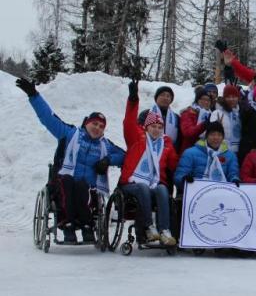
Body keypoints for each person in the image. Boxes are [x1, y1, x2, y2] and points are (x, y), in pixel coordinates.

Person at [17, 78, 125, 243]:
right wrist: (34, 95)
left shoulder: (106, 145)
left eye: (101, 126)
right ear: (87, 124)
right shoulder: (70, 134)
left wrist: (108, 160)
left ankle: (87, 225)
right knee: (67, 182)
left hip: (89, 188)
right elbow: (49, 118)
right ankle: (67, 223)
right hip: (63, 182)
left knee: (82, 185)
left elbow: (124, 156)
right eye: (94, 124)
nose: (97, 128)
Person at [121, 81, 180, 246]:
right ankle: (147, 227)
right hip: (132, 183)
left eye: (159, 127)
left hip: (154, 183)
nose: (156, 130)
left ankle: (164, 230)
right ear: (146, 128)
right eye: (153, 126)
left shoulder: (166, 144)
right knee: (143, 187)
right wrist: (133, 100)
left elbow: (175, 164)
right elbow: (129, 122)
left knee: (162, 189)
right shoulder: (137, 139)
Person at [174, 121, 240, 188]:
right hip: (197, 192)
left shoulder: (230, 155)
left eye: (219, 135)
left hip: (221, 193)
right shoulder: (190, 153)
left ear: (223, 138)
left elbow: (233, 174)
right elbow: (179, 176)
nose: (216, 138)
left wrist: (234, 180)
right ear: (206, 136)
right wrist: (184, 179)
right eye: (212, 134)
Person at [210, 84, 243, 155]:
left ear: (238, 98)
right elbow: (212, 132)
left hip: (239, 150)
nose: (231, 99)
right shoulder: (218, 113)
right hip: (222, 151)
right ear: (224, 98)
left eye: (234, 97)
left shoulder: (241, 112)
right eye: (228, 97)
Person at [179, 85, 213, 154]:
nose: (206, 102)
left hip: (206, 151)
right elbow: (187, 133)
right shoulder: (188, 113)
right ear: (197, 100)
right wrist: (204, 125)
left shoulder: (211, 114)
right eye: (203, 99)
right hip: (190, 151)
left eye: (208, 100)